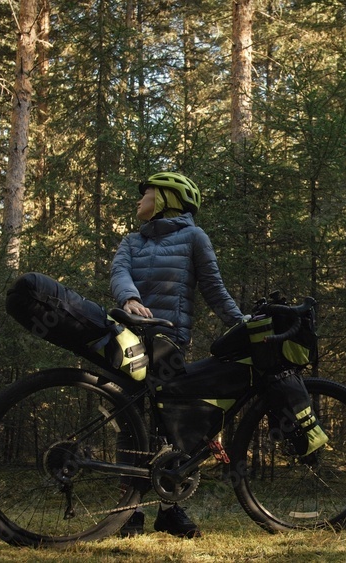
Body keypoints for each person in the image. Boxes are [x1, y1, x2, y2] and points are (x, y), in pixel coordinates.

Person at [110, 171, 243, 539]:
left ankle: (170, 509)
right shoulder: (132, 241)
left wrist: (243, 324)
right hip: (131, 338)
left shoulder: (194, 237)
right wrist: (130, 298)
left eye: (147, 192)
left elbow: (214, 290)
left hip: (171, 341)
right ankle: (129, 511)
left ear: (167, 198)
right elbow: (119, 273)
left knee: (172, 426)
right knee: (131, 423)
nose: (139, 199)